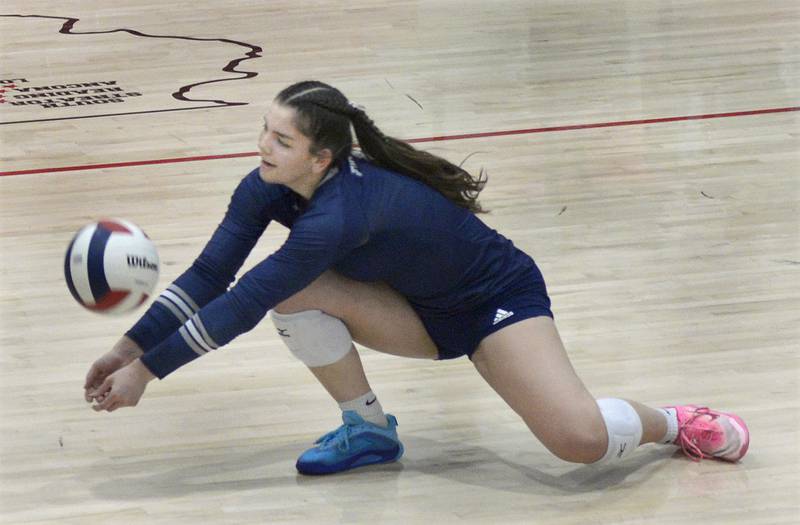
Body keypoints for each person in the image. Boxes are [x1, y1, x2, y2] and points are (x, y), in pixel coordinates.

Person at [84, 80, 749, 475]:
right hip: (410, 307)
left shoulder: (339, 216)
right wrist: (128, 349)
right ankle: (368, 428)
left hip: (495, 302)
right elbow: (210, 274)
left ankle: (674, 421)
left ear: (321, 157)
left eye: (281, 141)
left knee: (577, 442)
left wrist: (148, 374)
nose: (263, 146)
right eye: (265, 129)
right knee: (288, 288)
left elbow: (245, 298)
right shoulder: (267, 187)